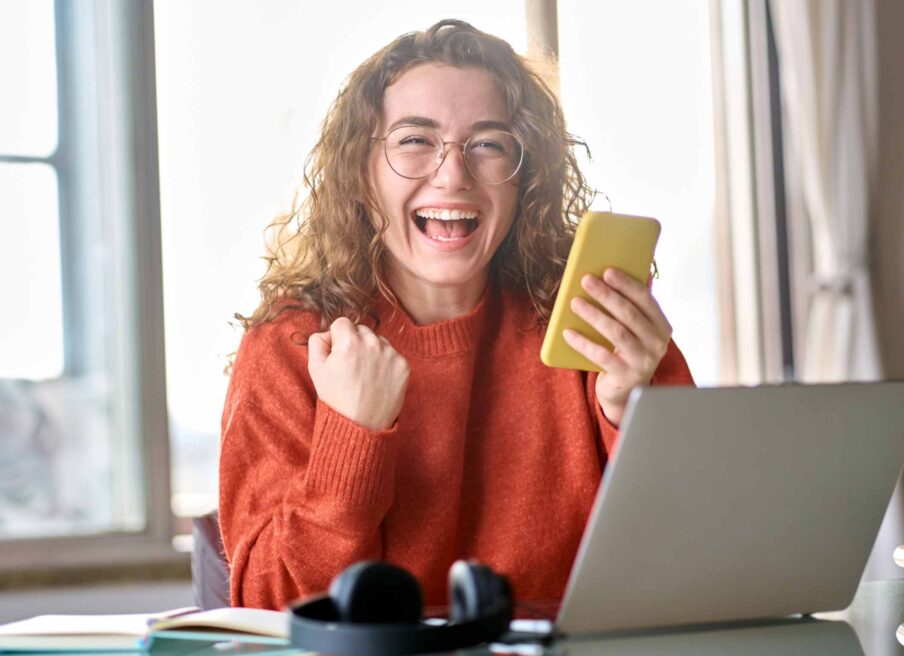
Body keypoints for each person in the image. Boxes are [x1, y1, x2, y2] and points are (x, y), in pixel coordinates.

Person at [219, 18, 695, 611]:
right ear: (361, 176)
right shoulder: (290, 345)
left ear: (527, 177)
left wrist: (632, 414)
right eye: (415, 140)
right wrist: (351, 435)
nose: (452, 174)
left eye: (488, 144)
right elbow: (268, 612)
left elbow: (693, 565)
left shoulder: (597, 324)